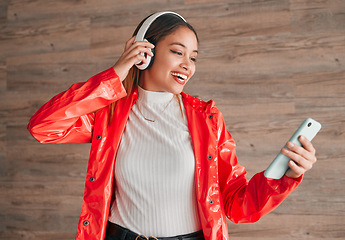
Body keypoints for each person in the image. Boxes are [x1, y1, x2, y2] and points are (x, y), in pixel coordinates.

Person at [27, 12, 317, 240]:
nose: (187, 66)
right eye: (178, 52)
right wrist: (116, 74)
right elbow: (43, 126)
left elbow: (237, 205)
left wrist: (285, 176)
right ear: (145, 51)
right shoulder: (108, 113)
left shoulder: (207, 118)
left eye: (193, 58)